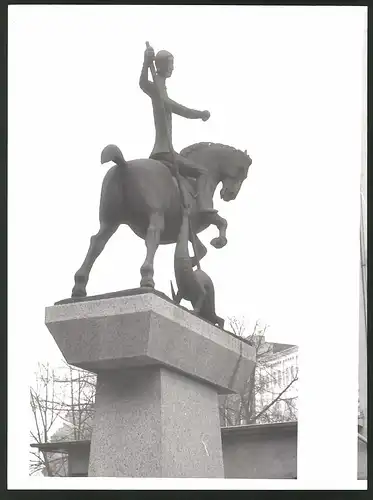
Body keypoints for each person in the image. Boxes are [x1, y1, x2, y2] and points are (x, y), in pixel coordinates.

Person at [139, 45, 217, 215]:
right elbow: (144, 84)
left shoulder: (161, 90)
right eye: (170, 63)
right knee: (202, 172)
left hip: (165, 150)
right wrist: (200, 114)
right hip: (165, 151)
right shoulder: (158, 90)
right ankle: (204, 206)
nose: (172, 67)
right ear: (162, 66)